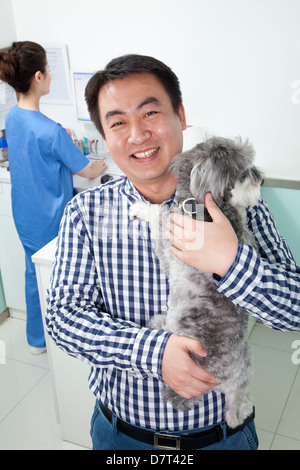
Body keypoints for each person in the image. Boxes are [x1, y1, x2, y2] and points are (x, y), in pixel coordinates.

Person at [45, 54, 300, 450]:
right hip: (121, 435)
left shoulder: (237, 202)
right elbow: (63, 318)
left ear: (180, 115)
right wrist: (153, 350)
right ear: (104, 135)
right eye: (118, 122)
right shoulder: (86, 212)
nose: (137, 135)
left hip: (221, 437)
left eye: (150, 113)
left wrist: (231, 264)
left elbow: (295, 309)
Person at [0, 41, 106, 355]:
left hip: (25, 214)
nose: (50, 75)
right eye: (47, 70)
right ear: (37, 77)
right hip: (52, 219)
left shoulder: (12, 118)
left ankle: (36, 339)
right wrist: (99, 164)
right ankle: (65, 339)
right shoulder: (52, 132)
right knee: (59, 278)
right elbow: (86, 171)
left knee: (33, 273)